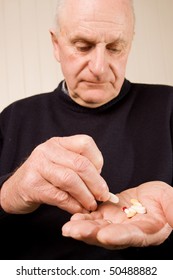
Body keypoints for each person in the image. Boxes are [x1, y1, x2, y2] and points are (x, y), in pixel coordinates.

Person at [0, 0, 173, 260]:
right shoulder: (14, 117)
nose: (99, 68)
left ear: (131, 43)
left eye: (115, 47)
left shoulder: (169, 106)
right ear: (56, 45)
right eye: (83, 46)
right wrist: (9, 194)